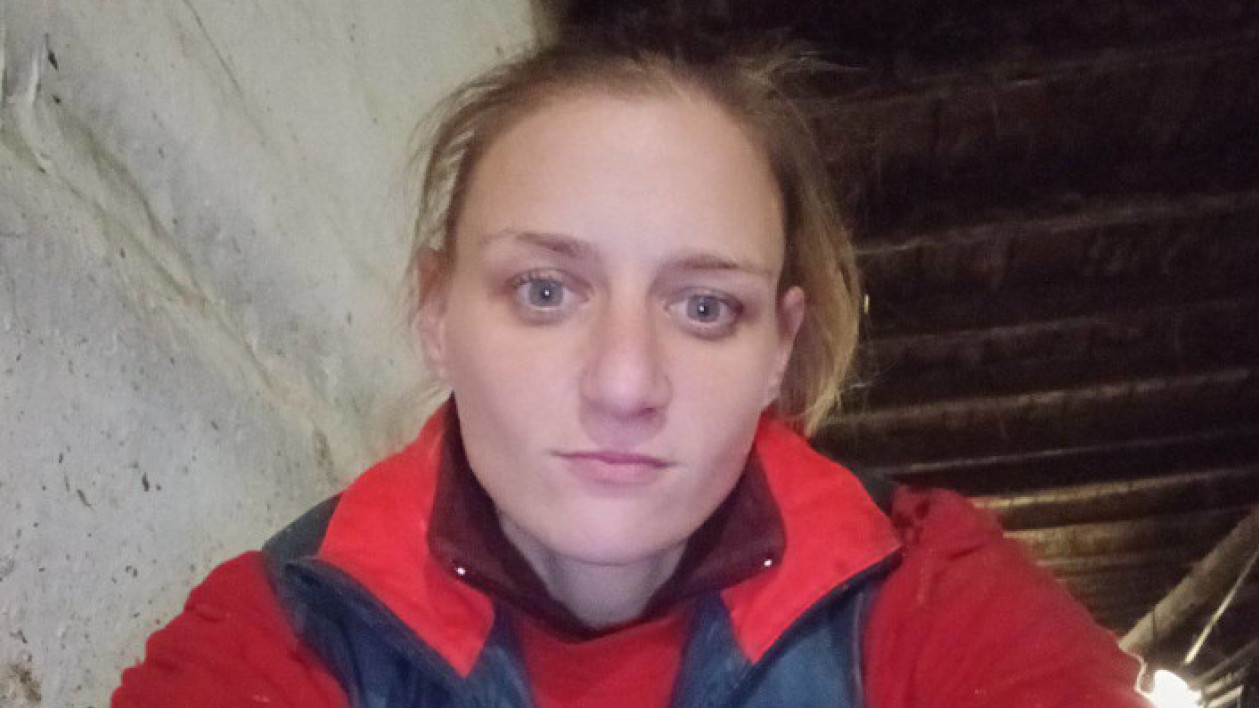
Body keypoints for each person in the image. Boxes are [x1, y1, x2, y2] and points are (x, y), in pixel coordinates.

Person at [113, 26, 1148, 708]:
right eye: (545, 291)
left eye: (703, 307)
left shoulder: (927, 594)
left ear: (777, 350)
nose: (622, 384)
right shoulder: (289, 627)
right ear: (436, 315)